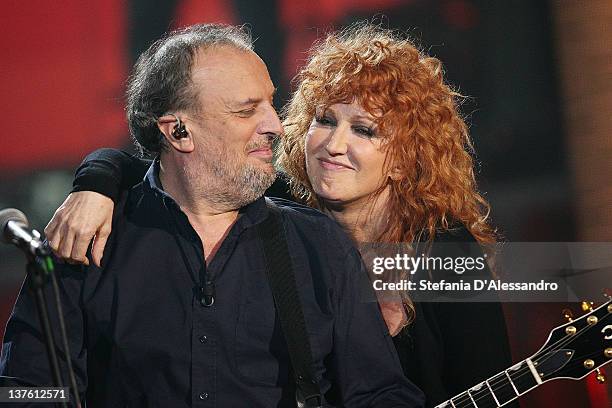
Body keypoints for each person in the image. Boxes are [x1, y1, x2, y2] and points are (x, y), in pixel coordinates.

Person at [40, 23, 516, 407]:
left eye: (365, 131)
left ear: (407, 157)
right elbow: (162, 165)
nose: (333, 145)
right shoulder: (273, 201)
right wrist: (93, 187)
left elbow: (485, 382)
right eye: (324, 120)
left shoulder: (445, 249)